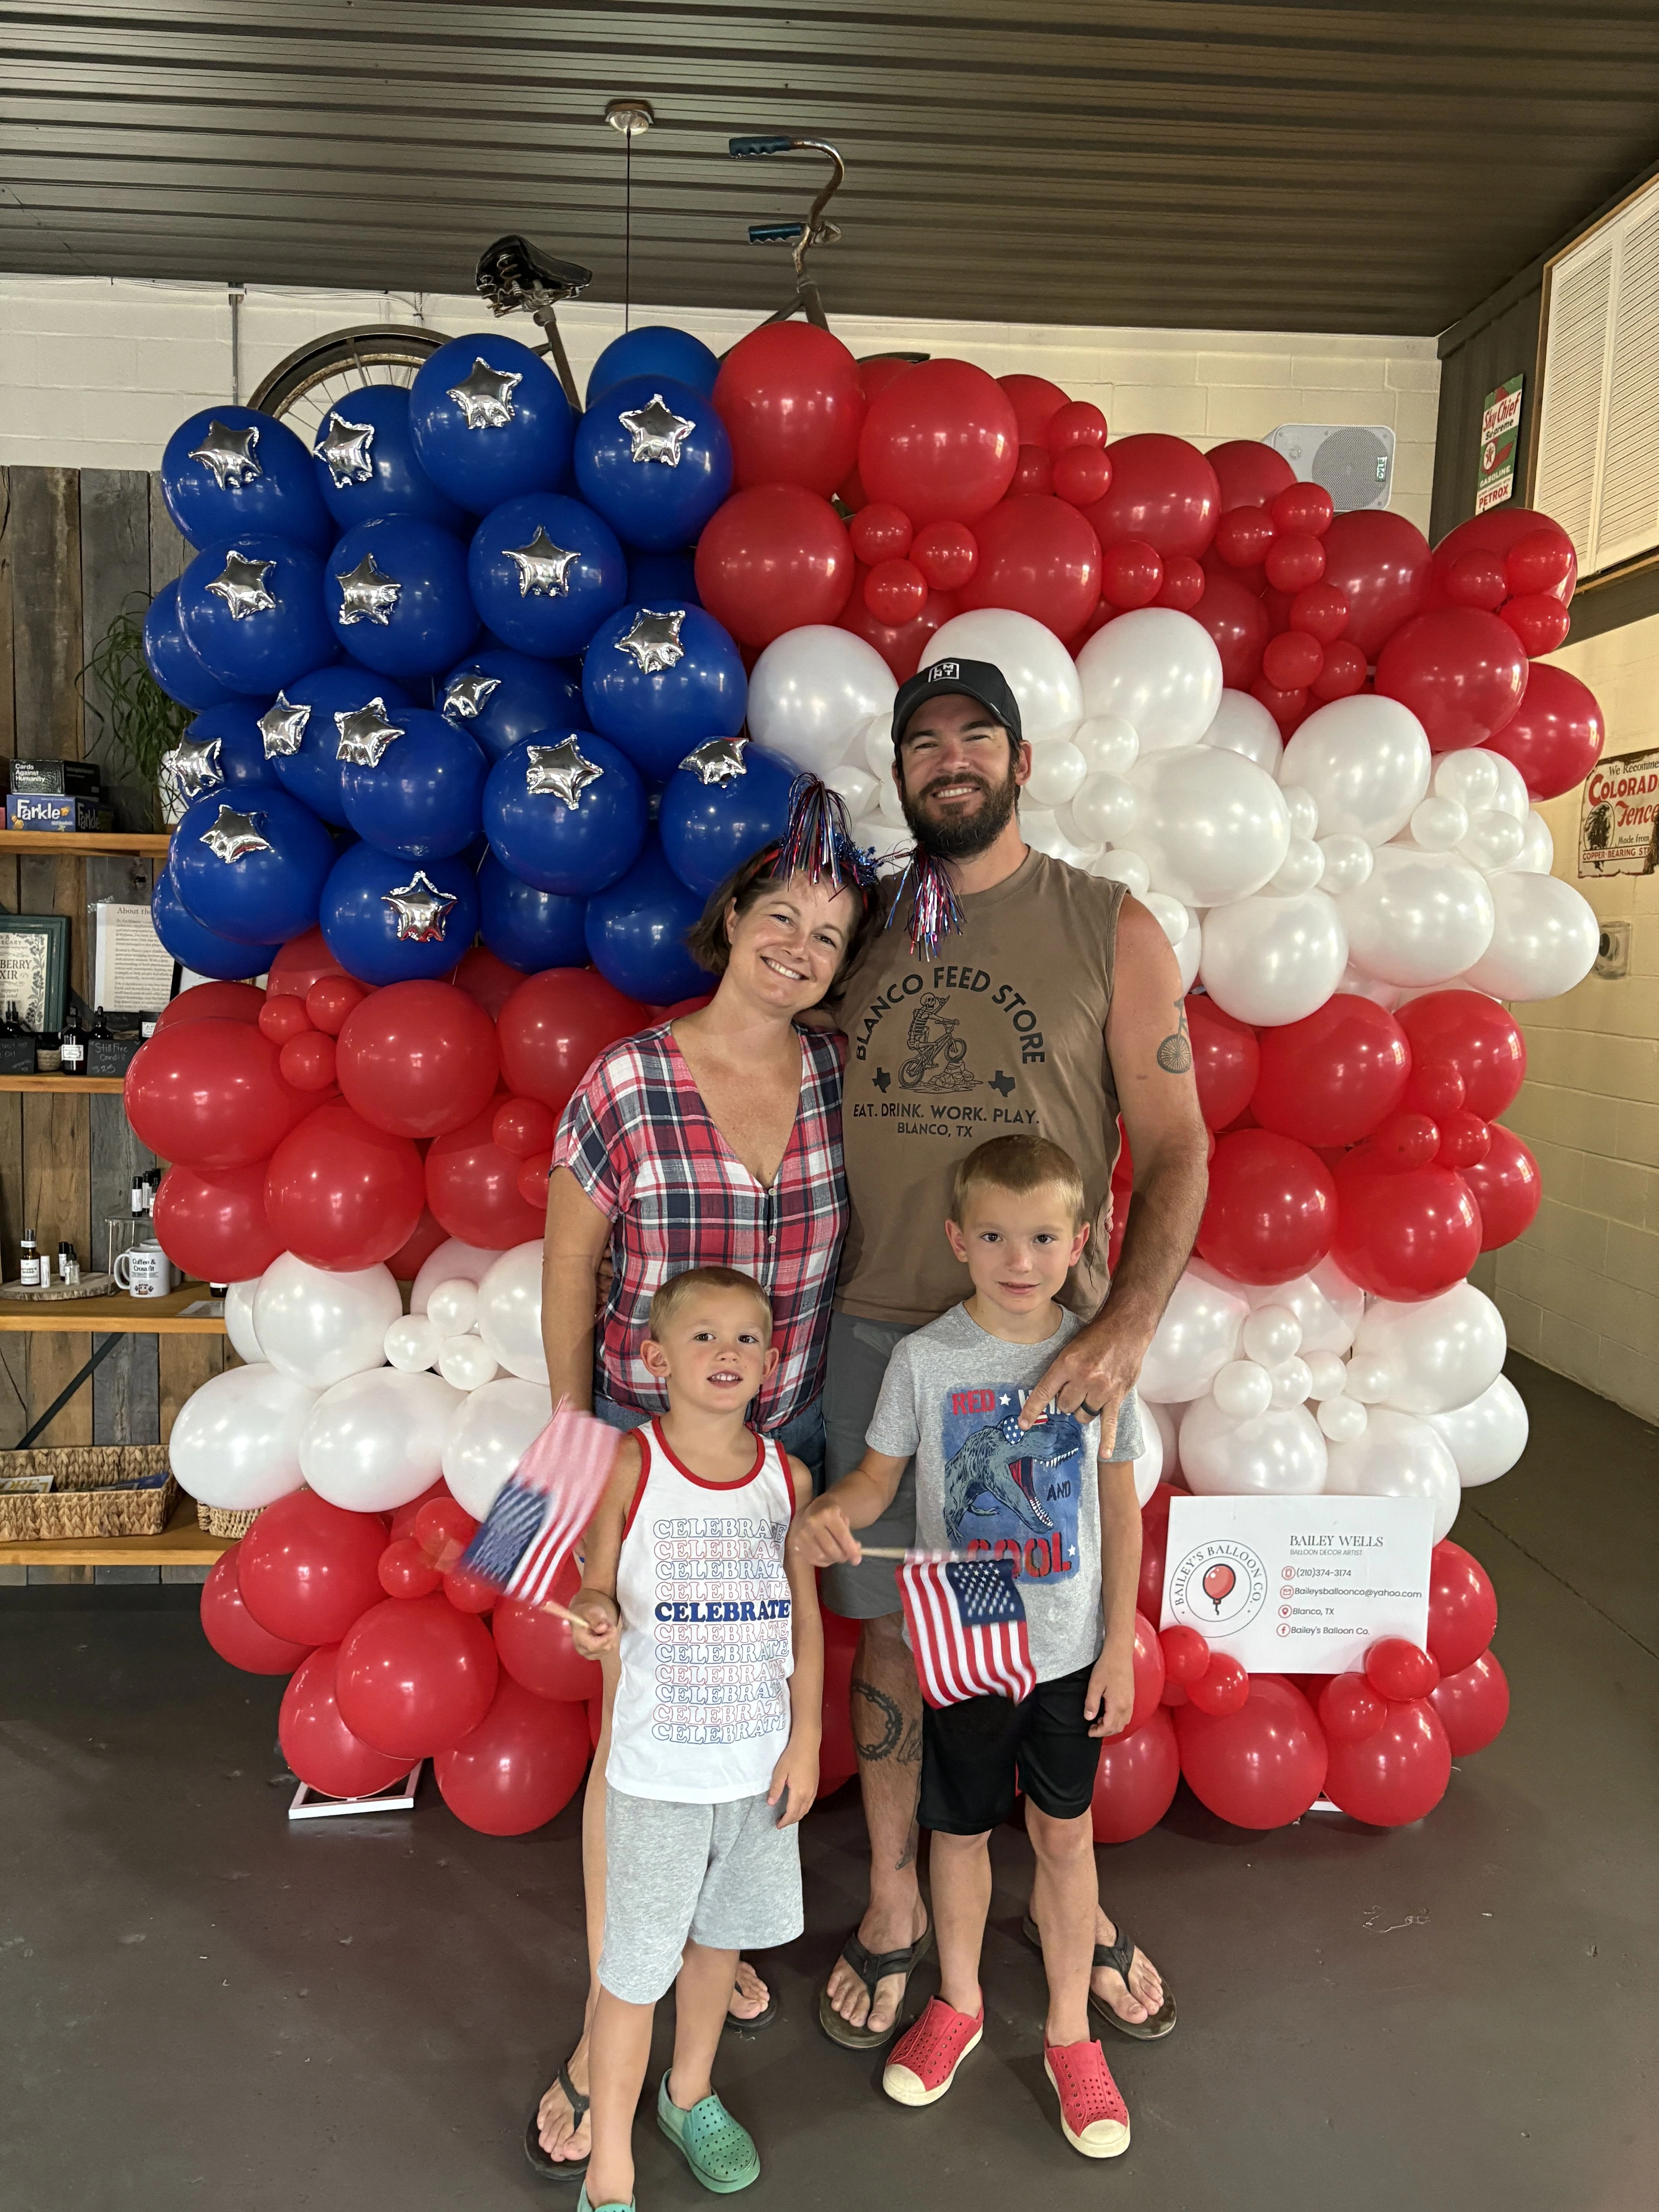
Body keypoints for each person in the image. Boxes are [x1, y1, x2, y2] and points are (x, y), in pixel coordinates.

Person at [816, 656, 1208, 2048]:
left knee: (1044, 1643)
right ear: (903, 774)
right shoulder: (856, 929)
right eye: (922, 744)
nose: (948, 760)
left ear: (1022, 761)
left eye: (975, 736)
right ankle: (895, 1901)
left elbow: (1173, 1147)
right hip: (877, 1334)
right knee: (891, 1640)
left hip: (1048, 1348)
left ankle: (1065, 1897)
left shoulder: (1109, 925)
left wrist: (1125, 1326)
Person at [530, 790, 879, 2179]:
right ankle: (606, 2015)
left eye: (829, 934)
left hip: (774, 1455)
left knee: (741, 1726)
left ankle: (701, 1949)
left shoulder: (843, 1078)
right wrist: (574, 1444)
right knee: (637, 1735)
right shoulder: (625, 1079)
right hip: (638, 1438)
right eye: (779, 915)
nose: (799, 945)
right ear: (731, 919)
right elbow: (567, 1266)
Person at [793, 1133, 1142, 2154]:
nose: (1018, 1259)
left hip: (1068, 1651)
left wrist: (1118, 1644)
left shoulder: (1093, 1359)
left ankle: (1072, 2034)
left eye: (1041, 1237)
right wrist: (834, 1511)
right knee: (955, 1831)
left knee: (1064, 1837)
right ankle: (956, 2000)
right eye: (993, 1236)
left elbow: (1119, 1514)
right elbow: (875, 1478)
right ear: (958, 1240)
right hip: (965, 1643)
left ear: (1076, 1243)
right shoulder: (925, 1359)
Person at [567, 1266, 823, 2212]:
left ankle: (689, 2095)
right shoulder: (630, 1465)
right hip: (658, 1777)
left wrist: (806, 1743)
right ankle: (610, 2172)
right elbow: (597, 1583)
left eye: (747, 1338)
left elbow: (805, 1621)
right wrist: (594, 1614)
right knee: (633, 1972)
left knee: (719, 1948)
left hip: (756, 1779)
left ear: (770, 1360)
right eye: (704, 1336)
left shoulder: (788, 1480)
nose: (727, 1353)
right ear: (655, 1357)